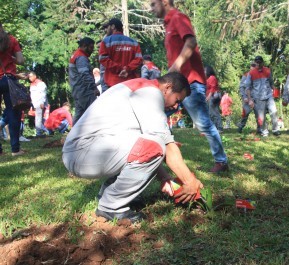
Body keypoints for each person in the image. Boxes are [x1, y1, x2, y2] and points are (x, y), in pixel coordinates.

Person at [62, 72, 203, 222]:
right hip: (83, 152)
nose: (176, 106)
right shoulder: (150, 93)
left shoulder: (142, 87)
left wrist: (164, 178)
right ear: (167, 88)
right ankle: (111, 205)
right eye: (177, 99)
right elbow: (164, 147)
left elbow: (144, 148)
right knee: (157, 145)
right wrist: (190, 181)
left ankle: (111, 194)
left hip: (84, 150)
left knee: (152, 145)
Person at [150, 0, 228, 173]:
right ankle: (154, 157)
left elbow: (191, 42)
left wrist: (176, 66)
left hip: (190, 84)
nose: (151, 8)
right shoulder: (168, 24)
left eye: (154, 3)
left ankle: (221, 162)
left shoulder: (178, 17)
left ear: (165, 2)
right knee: (155, 115)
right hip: (176, 85)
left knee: (203, 124)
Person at [0, 22, 25, 156]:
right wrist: (11, 58)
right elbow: (21, 60)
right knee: (13, 112)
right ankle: (15, 149)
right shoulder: (11, 40)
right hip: (8, 79)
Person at [99, 18, 143, 88]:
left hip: (113, 83)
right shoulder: (134, 42)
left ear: (113, 27)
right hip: (130, 83)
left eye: (108, 27)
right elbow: (139, 59)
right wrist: (126, 69)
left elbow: (103, 59)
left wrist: (120, 69)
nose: (106, 30)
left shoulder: (106, 41)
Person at [245, 56, 280, 137]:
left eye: (259, 62)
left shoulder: (267, 71)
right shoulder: (251, 73)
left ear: (262, 62)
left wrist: (275, 91)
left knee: (274, 112)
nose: (258, 63)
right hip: (258, 97)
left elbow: (271, 83)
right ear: (255, 62)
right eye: (256, 62)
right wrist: (250, 99)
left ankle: (276, 130)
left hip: (268, 95)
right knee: (261, 116)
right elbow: (248, 88)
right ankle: (264, 131)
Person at [69, 37, 99, 124]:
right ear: (84, 46)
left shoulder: (76, 55)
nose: (92, 50)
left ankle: (73, 135)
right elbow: (85, 74)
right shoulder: (81, 58)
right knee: (93, 112)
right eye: (91, 48)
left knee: (79, 114)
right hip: (84, 91)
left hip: (77, 90)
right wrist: (94, 88)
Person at [237, 63, 257, 133]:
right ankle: (240, 126)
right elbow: (241, 87)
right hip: (247, 98)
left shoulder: (259, 76)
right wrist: (244, 97)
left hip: (257, 98)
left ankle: (260, 129)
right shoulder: (245, 75)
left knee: (259, 113)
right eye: (251, 69)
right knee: (245, 113)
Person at [28, 71, 49, 137]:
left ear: (35, 76)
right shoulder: (32, 84)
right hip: (35, 104)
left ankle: (39, 133)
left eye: (31, 76)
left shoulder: (40, 83)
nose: (29, 78)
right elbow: (32, 95)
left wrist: (42, 102)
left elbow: (43, 94)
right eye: (29, 77)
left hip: (40, 103)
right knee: (38, 118)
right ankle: (42, 131)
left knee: (38, 118)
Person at [205, 65, 223, 132]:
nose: (204, 72)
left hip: (213, 97)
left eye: (205, 70)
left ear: (208, 71)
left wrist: (209, 97)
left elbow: (213, 88)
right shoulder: (208, 79)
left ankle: (219, 128)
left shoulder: (212, 78)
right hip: (210, 97)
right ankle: (214, 127)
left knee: (214, 112)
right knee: (211, 113)